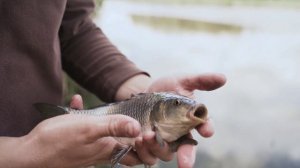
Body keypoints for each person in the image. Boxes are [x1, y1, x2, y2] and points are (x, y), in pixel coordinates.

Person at [0, 0, 226, 168]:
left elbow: (72, 26)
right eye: (177, 104)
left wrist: (138, 85)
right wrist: (23, 153)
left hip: (56, 145)